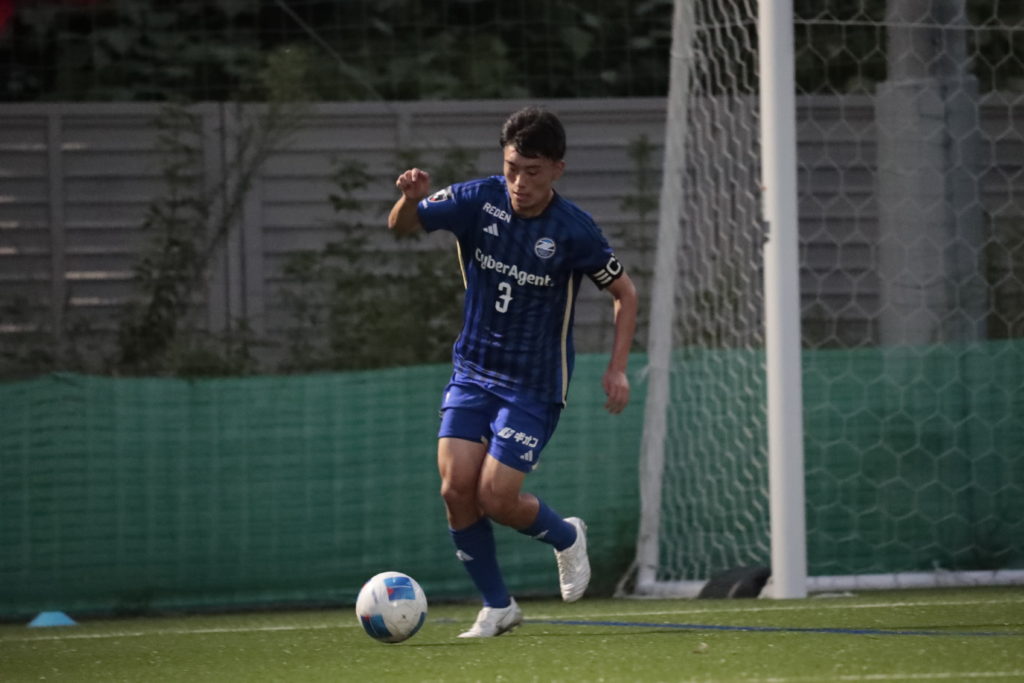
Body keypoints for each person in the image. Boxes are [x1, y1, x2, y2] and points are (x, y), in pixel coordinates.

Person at [387, 106, 637, 638]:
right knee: (455, 489)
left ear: (558, 169)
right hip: (473, 371)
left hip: (534, 385)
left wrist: (617, 369)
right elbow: (402, 227)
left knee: (496, 499)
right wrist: (409, 200)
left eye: (533, 172)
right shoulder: (476, 200)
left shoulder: (574, 230)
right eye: (511, 169)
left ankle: (566, 537)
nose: (519, 183)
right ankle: (498, 606)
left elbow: (625, 294)